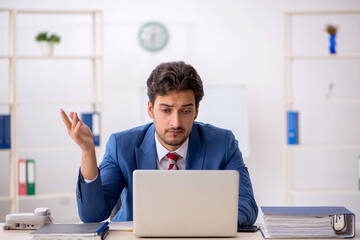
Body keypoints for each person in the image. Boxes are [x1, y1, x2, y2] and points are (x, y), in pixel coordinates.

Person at [60, 61, 258, 226]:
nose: (176, 122)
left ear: (196, 111)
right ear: (150, 109)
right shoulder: (122, 145)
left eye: (186, 111)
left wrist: (196, 224)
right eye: (166, 110)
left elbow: (247, 206)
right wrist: (87, 150)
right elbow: (92, 216)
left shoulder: (223, 143)